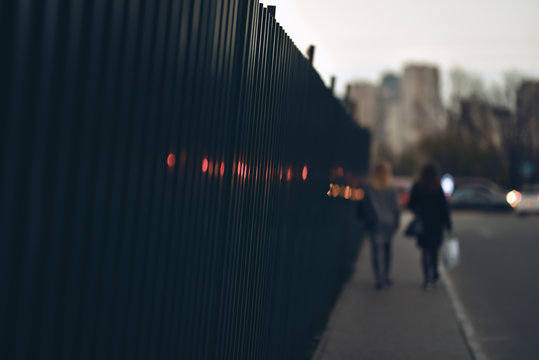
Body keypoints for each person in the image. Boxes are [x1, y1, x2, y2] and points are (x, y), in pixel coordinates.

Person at [408, 163, 452, 290]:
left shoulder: (418, 186)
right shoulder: (437, 187)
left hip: (423, 223)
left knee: (425, 251)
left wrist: (418, 212)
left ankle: (426, 278)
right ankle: (434, 275)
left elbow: (411, 204)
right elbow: (444, 208)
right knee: (434, 251)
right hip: (436, 224)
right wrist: (448, 224)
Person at [362, 160, 401, 290]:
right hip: (388, 222)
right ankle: (386, 275)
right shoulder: (391, 186)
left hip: (375, 222)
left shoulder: (369, 186)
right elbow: (396, 207)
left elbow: (365, 206)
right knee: (387, 250)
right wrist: (396, 222)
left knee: (375, 250)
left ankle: (378, 277)